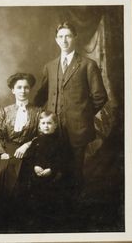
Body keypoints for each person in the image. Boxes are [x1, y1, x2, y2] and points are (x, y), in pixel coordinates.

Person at [34, 21, 108, 192]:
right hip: (53, 130)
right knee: (52, 170)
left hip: (77, 130)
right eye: (60, 37)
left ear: (75, 37)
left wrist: (82, 114)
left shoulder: (88, 65)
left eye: (68, 36)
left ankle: (74, 213)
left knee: (74, 173)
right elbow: (41, 96)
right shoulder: (50, 66)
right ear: (56, 40)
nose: (64, 40)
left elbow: (100, 96)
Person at [0, 73, 41, 231]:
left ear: (30, 90)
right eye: (19, 87)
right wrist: (1, 151)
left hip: (28, 150)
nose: (23, 91)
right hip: (5, 149)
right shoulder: (5, 111)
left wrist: (27, 145)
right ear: (13, 90)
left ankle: (15, 218)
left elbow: (41, 135)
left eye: (26, 87)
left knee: (13, 169)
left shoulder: (38, 111)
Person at [18, 111, 68, 229]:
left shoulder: (60, 142)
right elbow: (29, 157)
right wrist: (35, 166)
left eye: (49, 123)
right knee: (34, 199)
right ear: (39, 126)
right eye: (43, 123)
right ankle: (35, 221)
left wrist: (51, 169)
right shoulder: (36, 141)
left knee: (52, 200)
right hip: (36, 177)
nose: (46, 126)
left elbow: (62, 160)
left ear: (55, 125)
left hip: (52, 178)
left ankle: (50, 222)